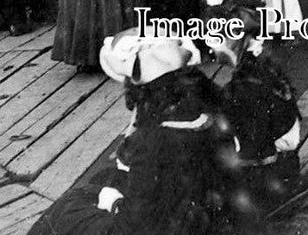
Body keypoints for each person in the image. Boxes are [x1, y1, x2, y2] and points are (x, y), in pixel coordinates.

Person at [26, 32, 225, 235]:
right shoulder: (204, 105)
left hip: (162, 225)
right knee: (99, 182)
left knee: (69, 210)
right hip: (196, 213)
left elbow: (132, 228)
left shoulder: (154, 141)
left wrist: (113, 203)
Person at [196, 0, 302, 231]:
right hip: (275, 165)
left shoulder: (248, 87)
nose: (212, 44)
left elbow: (255, 155)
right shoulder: (259, 64)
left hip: (271, 181)